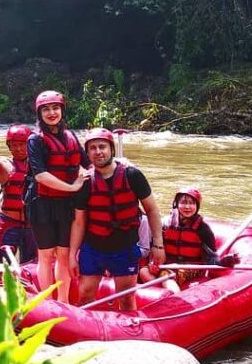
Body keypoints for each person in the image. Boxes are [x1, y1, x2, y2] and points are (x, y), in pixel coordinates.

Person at [69, 127, 165, 311]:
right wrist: (73, 255)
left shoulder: (132, 175)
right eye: (93, 148)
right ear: (87, 153)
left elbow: (152, 210)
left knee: (127, 300)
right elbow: (79, 222)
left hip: (125, 248)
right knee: (85, 295)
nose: (98, 152)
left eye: (102, 147)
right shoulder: (86, 183)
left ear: (111, 149)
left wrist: (158, 245)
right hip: (93, 248)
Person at [24, 90, 89, 304]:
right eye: (46, 109)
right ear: (39, 113)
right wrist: (72, 188)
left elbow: (88, 164)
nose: (52, 113)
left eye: (55, 108)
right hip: (41, 203)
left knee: (63, 254)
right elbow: (40, 175)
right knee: (46, 255)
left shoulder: (71, 137)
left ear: (62, 110)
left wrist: (118, 166)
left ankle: (63, 302)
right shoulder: (35, 140)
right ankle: (47, 302)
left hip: (64, 204)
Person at [148, 187, 237, 290]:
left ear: (197, 206)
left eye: (192, 203)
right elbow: (154, 249)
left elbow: (211, 260)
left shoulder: (203, 230)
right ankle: (160, 294)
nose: (187, 207)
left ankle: (174, 298)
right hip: (167, 265)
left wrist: (222, 263)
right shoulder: (165, 224)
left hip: (191, 268)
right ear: (176, 204)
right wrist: (153, 263)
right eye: (183, 203)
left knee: (166, 275)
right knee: (144, 271)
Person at [0, 122, 38, 264]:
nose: (18, 149)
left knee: (32, 266)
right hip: (9, 225)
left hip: (32, 226)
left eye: (22, 144)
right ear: (9, 147)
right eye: (14, 145)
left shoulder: (38, 167)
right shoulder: (4, 166)